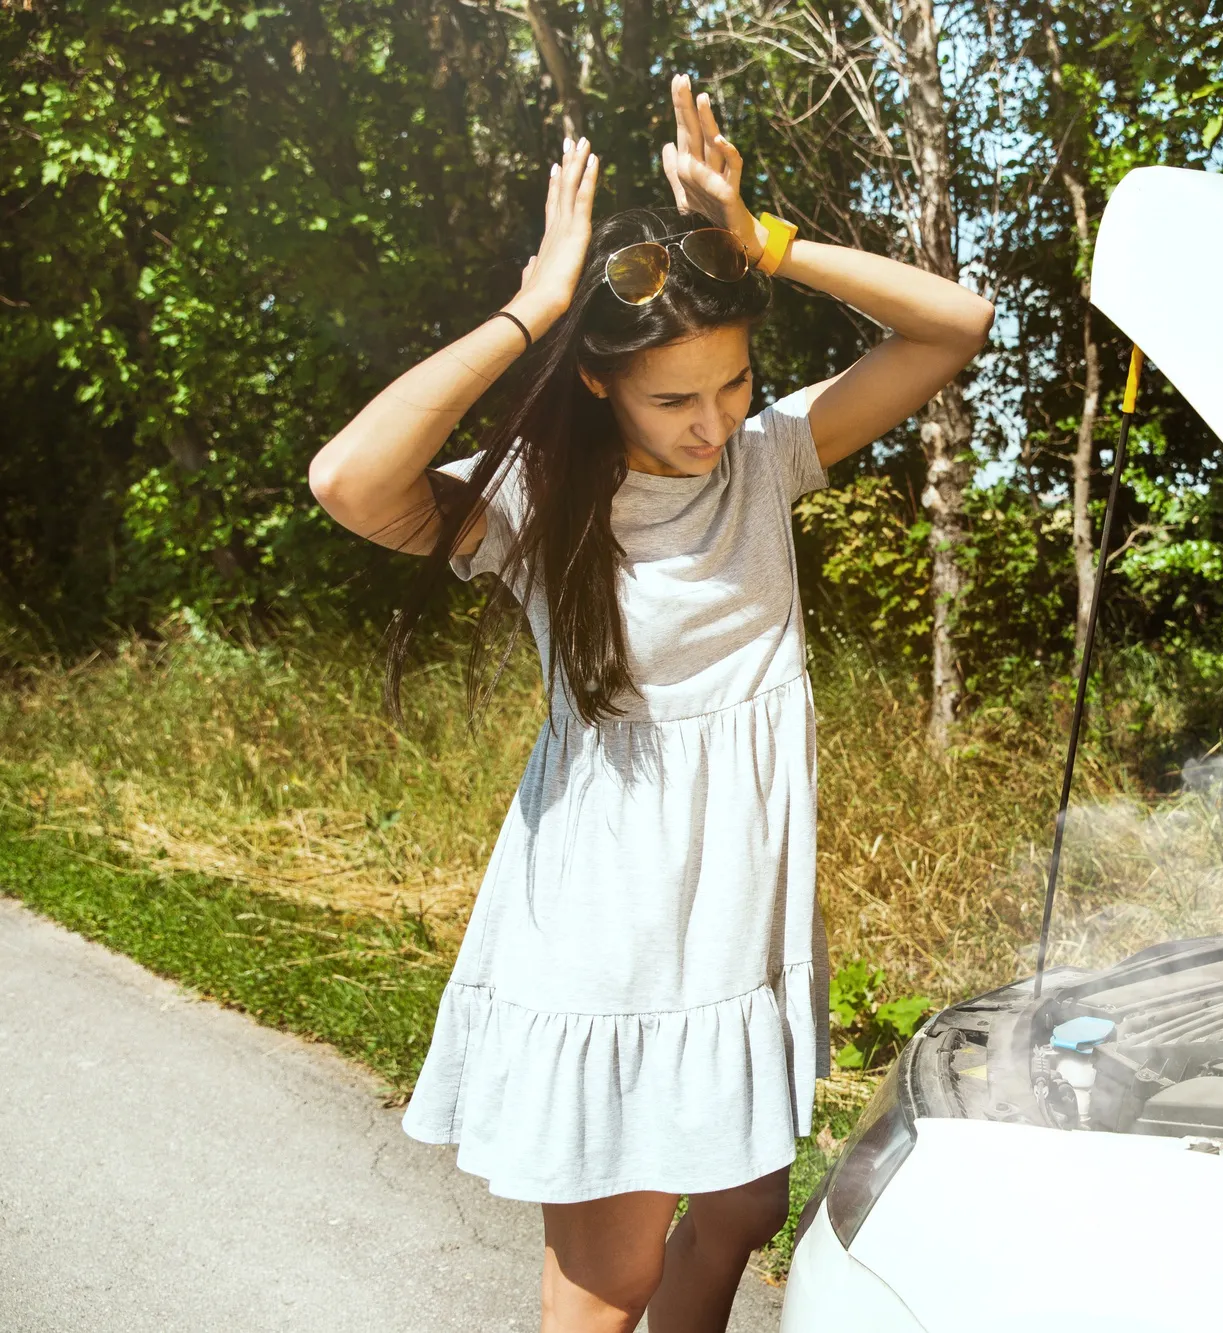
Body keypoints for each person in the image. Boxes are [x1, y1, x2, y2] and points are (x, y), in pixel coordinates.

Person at [307, 74, 992, 1333]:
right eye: (675, 399)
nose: (712, 422)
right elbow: (347, 478)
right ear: (596, 385)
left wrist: (761, 241)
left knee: (735, 1215)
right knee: (607, 1286)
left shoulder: (764, 459)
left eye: (730, 384)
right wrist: (531, 308)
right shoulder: (532, 507)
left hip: (737, 914)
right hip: (610, 930)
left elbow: (955, 324)